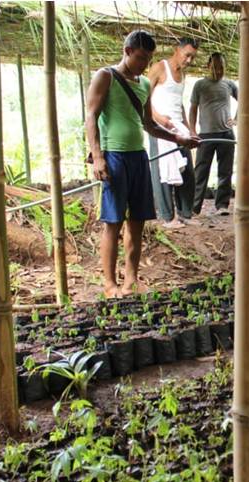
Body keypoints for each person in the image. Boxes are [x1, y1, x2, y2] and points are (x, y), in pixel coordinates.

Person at [86, 30, 200, 298]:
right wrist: (98, 156)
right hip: (114, 156)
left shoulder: (144, 85)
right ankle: (109, 284)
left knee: (137, 221)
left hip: (138, 157)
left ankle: (131, 280)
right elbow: (91, 116)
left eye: (147, 59)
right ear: (126, 51)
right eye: (139, 58)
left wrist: (178, 138)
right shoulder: (106, 77)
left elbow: (148, 124)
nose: (143, 65)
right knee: (113, 223)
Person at [148, 37, 199, 229]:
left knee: (186, 168)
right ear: (176, 49)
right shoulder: (159, 68)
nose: (189, 61)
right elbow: (144, 98)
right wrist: (159, 119)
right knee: (162, 170)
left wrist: (190, 130)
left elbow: (180, 104)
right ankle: (168, 217)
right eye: (187, 55)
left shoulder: (183, 75)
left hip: (178, 126)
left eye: (192, 57)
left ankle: (186, 213)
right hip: (159, 126)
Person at [189, 52, 238, 216]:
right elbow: (193, 108)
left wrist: (236, 119)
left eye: (221, 67)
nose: (218, 71)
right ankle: (194, 207)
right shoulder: (200, 85)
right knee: (201, 171)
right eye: (215, 67)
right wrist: (192, 130)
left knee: (225, 171)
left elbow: (244, 99)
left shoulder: (229, 84)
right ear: (208, 66)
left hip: (226, 134)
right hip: (206, 135)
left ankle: (222, 206)